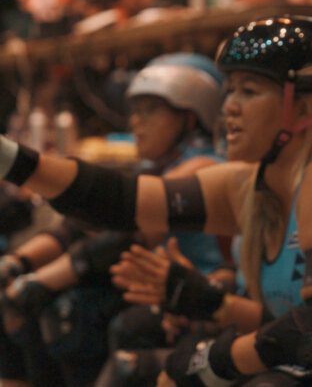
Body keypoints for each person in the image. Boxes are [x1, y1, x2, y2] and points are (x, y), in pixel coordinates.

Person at [0, 16, 312, 386]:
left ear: (308, 103)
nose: (228, 107)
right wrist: (12, 160)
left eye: (249, 91)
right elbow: (116, 201)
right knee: (141, 370)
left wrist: (210, 360)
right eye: (229, 89)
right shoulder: (247, 184)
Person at [0, 53, 226, 387]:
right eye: (134, 110)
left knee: (70, 313)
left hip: (195, 294)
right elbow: (78, 227)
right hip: (150, 287)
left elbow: (124, 239)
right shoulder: (153, 167)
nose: (136, 122)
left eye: (150, 110)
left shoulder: (203, 167)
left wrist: (40, 282)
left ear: (190, 118)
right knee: (20, 300)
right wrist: (18, 264)